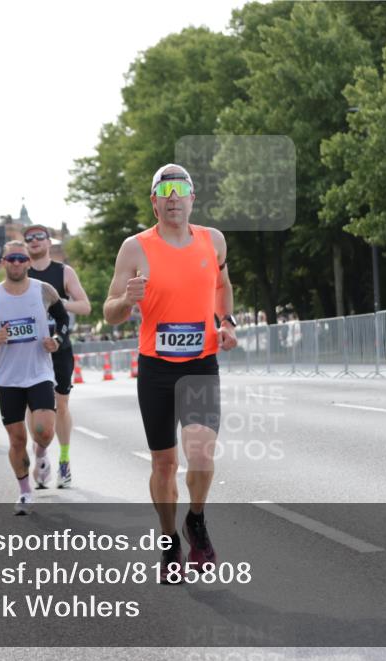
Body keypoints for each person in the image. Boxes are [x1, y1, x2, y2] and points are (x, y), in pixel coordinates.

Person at [103, 164, 237, 583]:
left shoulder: (212, 240)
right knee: (163, 464)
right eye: (166, 191)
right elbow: (109, 313)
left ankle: (195, 519)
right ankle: (168, 541)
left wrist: (227, 322)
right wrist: (126, 298)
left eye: (182, 190)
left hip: (201, 362)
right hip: (157, 368)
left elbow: (222, 286)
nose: (174, 197)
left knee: (201, 452)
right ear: (155, 201)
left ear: (192, 198)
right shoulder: (135, 248)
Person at [0, 240, 70, 515]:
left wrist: (57, 340)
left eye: (20, 259)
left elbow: (63, 322)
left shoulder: (44, 291)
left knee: (43, 431)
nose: (16, 263)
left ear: (28, 262)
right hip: (8, 378)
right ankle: (24, 491)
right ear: (3, 262)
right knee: (16, 440)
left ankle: (41, 454)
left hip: (39, 373)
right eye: (10, 259)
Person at [23, 222, 92, 489]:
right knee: (34, 407)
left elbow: (85, 306)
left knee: (61, 405)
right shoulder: (21, 274)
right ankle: (40, 456)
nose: (35, 241)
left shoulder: (63, 272)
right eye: (29, 238)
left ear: (49, 243)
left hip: (60, 347)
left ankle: (64, 459)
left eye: (40, 237)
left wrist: (57, 302)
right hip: (30, 351)